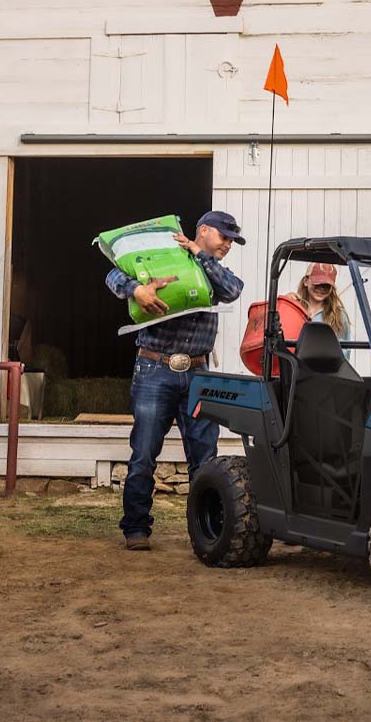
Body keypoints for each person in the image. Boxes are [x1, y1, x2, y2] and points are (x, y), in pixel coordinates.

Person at [105, 210, 245, 551]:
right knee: (144, 453)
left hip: (198, 371)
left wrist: (200, 255)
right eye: (224, 237)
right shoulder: (162, 253)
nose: (228, 244)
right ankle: (136, 528)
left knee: (205, 459)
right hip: (155, 368)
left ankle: (206, 531)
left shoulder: (213, 270)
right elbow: (112, 274)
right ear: (204, 230)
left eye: (232, 240)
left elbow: (233, 290)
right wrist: (136, 289)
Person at [286, 262, 351, 345]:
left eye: (326, 285)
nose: (321, 288)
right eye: (317, 283)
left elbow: (344, 350)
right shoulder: (293, 308)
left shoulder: (339, 316)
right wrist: (285, 304)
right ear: (306, 281)